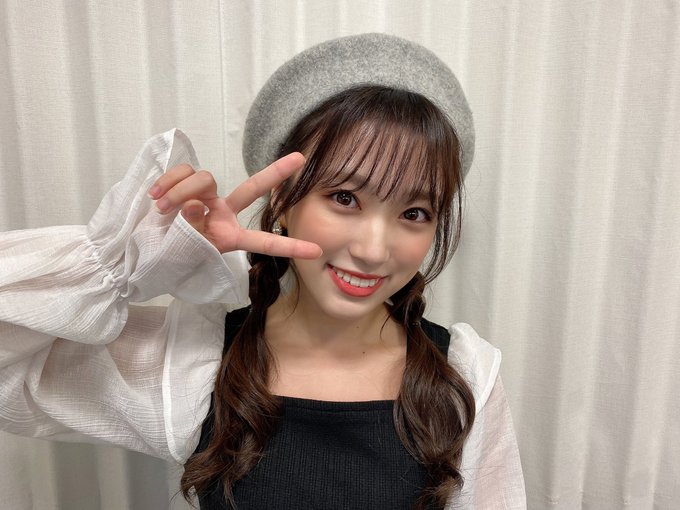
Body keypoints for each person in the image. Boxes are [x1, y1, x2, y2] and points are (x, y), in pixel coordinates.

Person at [0, 34, 525, 509]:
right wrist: (132, 265)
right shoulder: (197, 365)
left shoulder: (464, 376)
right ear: (282, 199)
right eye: (345, 198)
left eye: (414, 213)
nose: (372, 250)